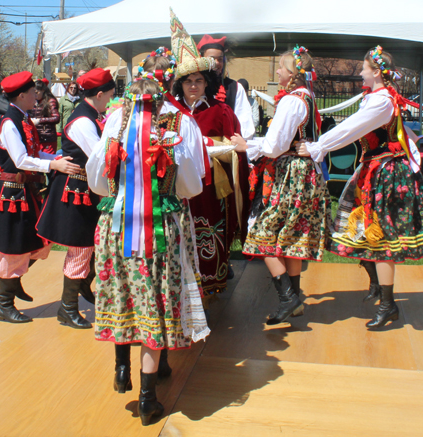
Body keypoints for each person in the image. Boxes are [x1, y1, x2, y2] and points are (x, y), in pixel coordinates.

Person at [297, 46, 423, 328]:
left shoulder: (381, 101)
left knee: (380, 236)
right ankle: (376, 285)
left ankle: (388, 304)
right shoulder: (379, 99)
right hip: (374, 171)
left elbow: (351, 128)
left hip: (385, 175)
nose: (360, 72)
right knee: (359, 229)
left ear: (376, 72)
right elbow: (394, 132)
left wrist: (317, 146)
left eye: (364, 68)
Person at [86, 77, 208, 426]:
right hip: (159, 230)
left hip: (115, 227)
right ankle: (147, 398)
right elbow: (191, 185)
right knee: (154, 300)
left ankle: (121, 368)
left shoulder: (113, 126)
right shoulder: (177, 130)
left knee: (124, 293)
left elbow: (96, 181)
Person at [231, 46, 331, 325]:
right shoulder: (307, 97)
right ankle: (294, 301)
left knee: (260, 235)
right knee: (292, 237)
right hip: (306, 174)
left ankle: (288, 298)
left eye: (282, 68)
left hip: (290, 174)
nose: (277, 72)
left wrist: (245, 145)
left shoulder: (291, 102)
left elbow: (274, 146)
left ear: (293, 74)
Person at [0, 71, 80, 324]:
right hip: (10, 193)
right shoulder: (10, 123)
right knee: (13, 246)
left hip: (23, 191)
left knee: (38, 242)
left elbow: (32, 152)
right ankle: (4, 304)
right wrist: (53, 167)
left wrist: (54, 158)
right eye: (33, 92)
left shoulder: (22, 118)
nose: (37, 95)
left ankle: (14, 280)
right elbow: (21, 160)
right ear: (21, 95)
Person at [136, 46, 206, 377]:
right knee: (165, 284)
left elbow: (101, 176)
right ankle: (160, 359)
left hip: (123, 218)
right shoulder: (182, 122)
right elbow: (195, 179)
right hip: (167, 216)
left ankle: (124, 364)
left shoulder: (119, 119)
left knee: (131, 284)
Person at [170, 11, 251, 296]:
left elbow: (238, 147)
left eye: (199, 80)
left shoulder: (220, 111)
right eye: (188, 81)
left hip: (210, 186)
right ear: (180, 84)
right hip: (176, 187)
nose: (193, 85)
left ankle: (208, 285)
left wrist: (217, 150)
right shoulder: (169, 111)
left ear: (207, 83)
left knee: (208, 230)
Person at [36, 69, 115, 329]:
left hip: (85, 189)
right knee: (80, 247)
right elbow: (100, 155)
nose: (113, 100)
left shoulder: (93, 115)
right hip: (76, 191)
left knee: (89, 245)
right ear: (100, 94)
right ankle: (67, 309)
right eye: (111, 96)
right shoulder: (83, 120)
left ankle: (81, 286)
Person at [197, 35, 255, 140]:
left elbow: (245, 125)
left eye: (220, 59)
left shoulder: (235, 88)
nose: (217, 63)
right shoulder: (193, 86)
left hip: (226, 149)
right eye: (212, 59)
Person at [29, 80, 60, 154]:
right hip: (37, 137)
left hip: (48, 138)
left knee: (48, 162)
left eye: (37, 92)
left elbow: (56, 118)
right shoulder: (35, 101)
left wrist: (39, 120)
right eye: (34, 93)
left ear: (42, 90)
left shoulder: (50, 101)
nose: (35, 95)